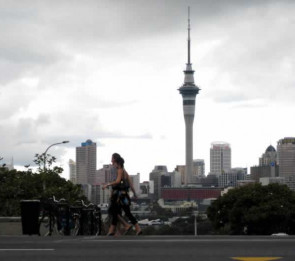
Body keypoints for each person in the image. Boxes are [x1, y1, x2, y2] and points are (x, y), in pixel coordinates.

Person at [103, 154, 142, 236]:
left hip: (118, 196)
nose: (112, 163)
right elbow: (131, 185)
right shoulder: (125, 172)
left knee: (113, 211)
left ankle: (118, 228)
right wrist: (134, 194)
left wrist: (108, 184)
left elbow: (117, 181)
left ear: (117, 162)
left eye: (113, 161)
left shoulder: (119, 170)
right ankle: (137, 228)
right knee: (125, 212)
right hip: (124, 196)